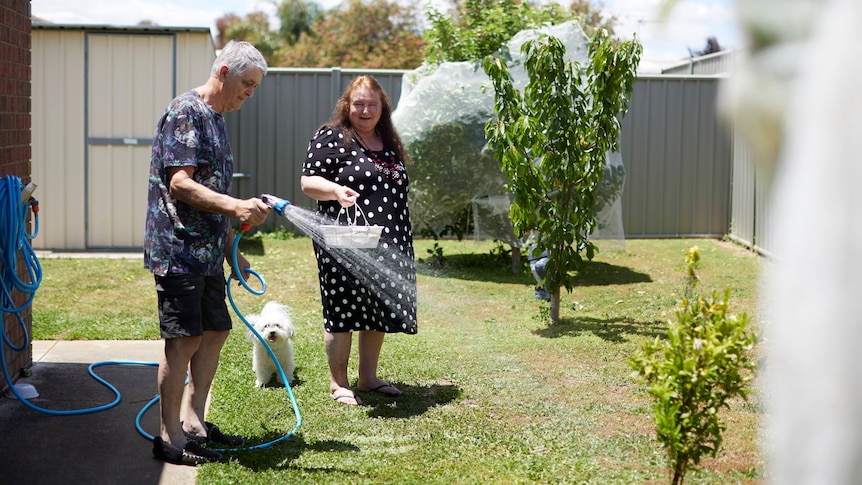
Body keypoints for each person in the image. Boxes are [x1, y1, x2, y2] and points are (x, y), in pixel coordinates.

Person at [144, 40, 271, 465]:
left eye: (254, 87)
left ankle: (195, 423)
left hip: (209, 252)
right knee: (183, 340)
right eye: (246, 84)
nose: (249, 94)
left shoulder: (216, 118)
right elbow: (180, 183)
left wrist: (233, 245)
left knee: (215, 331)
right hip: (178, 249)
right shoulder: (186, 112)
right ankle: (168, 436)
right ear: (223, 73)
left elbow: (213, 189)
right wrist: (236, 207)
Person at [301, 75, 417, 406]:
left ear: (383, 108)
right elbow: (308, 182)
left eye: (372, 104)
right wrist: (335, 191)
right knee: (343, 309)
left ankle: (368, 378)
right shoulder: (332, 137)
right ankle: (338, 383)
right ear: (347, 106)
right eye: (359, 104)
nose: (365, 110)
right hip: (345, 240)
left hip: (388, 239)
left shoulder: (387, 140)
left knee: (376, 309)